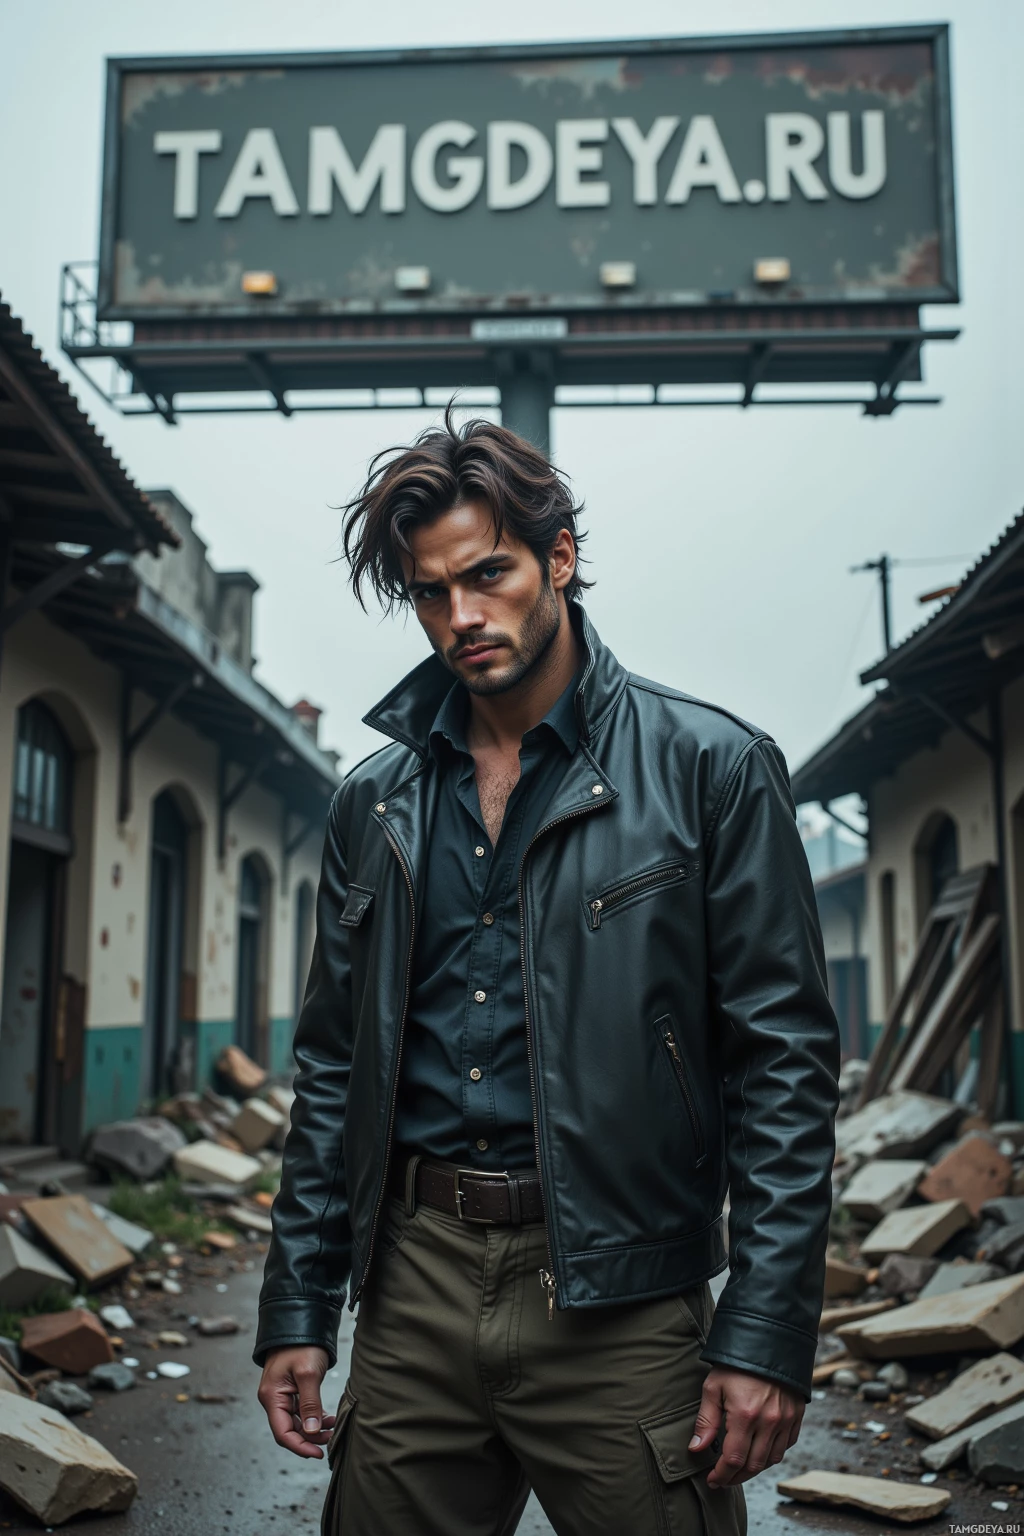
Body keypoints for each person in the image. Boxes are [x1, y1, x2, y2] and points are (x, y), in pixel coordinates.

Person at [255, 408, 840, 1536]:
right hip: (413, 1284)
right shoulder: (371, 802)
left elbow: (784, 1069)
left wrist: (764, 1332)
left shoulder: (710, 770)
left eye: (489, 574)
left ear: (557, 558)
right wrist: (298, 1303)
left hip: (620, 1296)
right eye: (431, 593)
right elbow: (333, 1066)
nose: (462, 617)